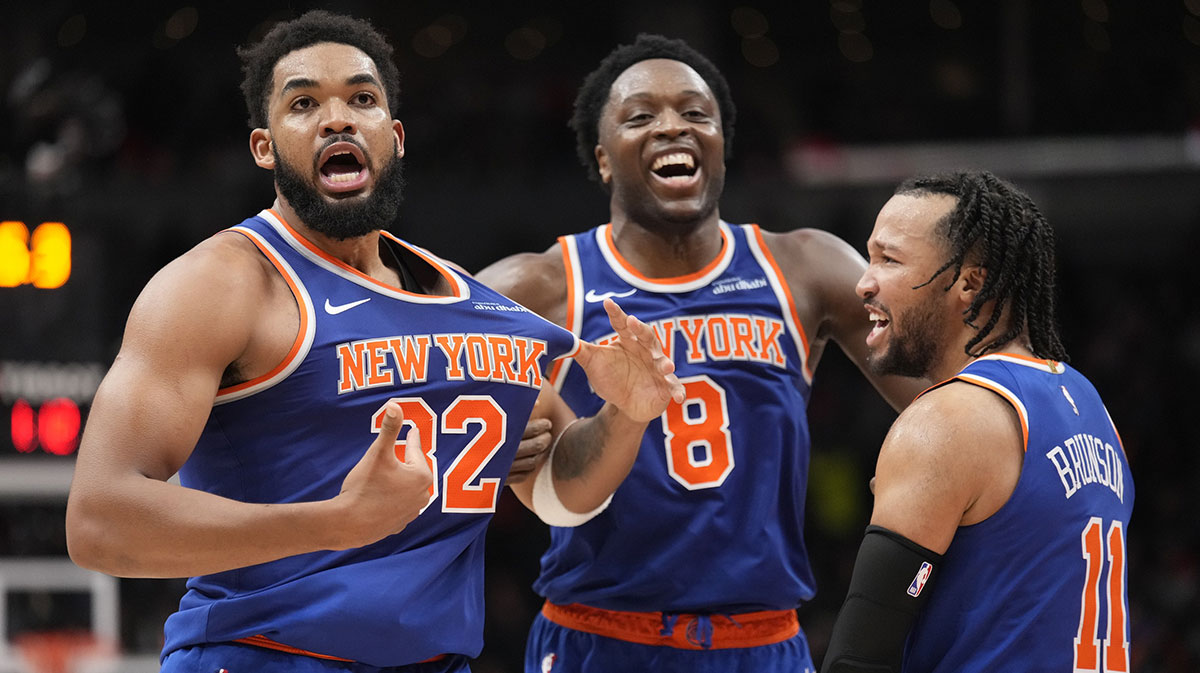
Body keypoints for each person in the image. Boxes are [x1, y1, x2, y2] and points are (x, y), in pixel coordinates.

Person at [64, 11, 683, 673]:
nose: (337, 118)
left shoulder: (475, 308)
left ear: (394, 136)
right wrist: (336, 521)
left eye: (362, 98)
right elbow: (101, 520)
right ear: (263, 146)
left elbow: (561, 493)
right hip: (260, 655)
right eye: (303, 103)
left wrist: (626, 415)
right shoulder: (219, 285)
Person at [476, 34, 923, 673]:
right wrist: (481, 447)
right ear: (603, 160)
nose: (671, 127)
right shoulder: (535, 287)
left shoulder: (804, 267)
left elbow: (943, 399)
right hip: (599, 637)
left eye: (695, 113)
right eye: (640, 116)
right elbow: (405, 395)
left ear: (720, 143)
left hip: (764, 640)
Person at [819, 171, 1134, 672]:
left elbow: (858, 659)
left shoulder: (946, 422)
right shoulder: (1087, 401)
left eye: (889, 259)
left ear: (968, 283)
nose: (864, 282)